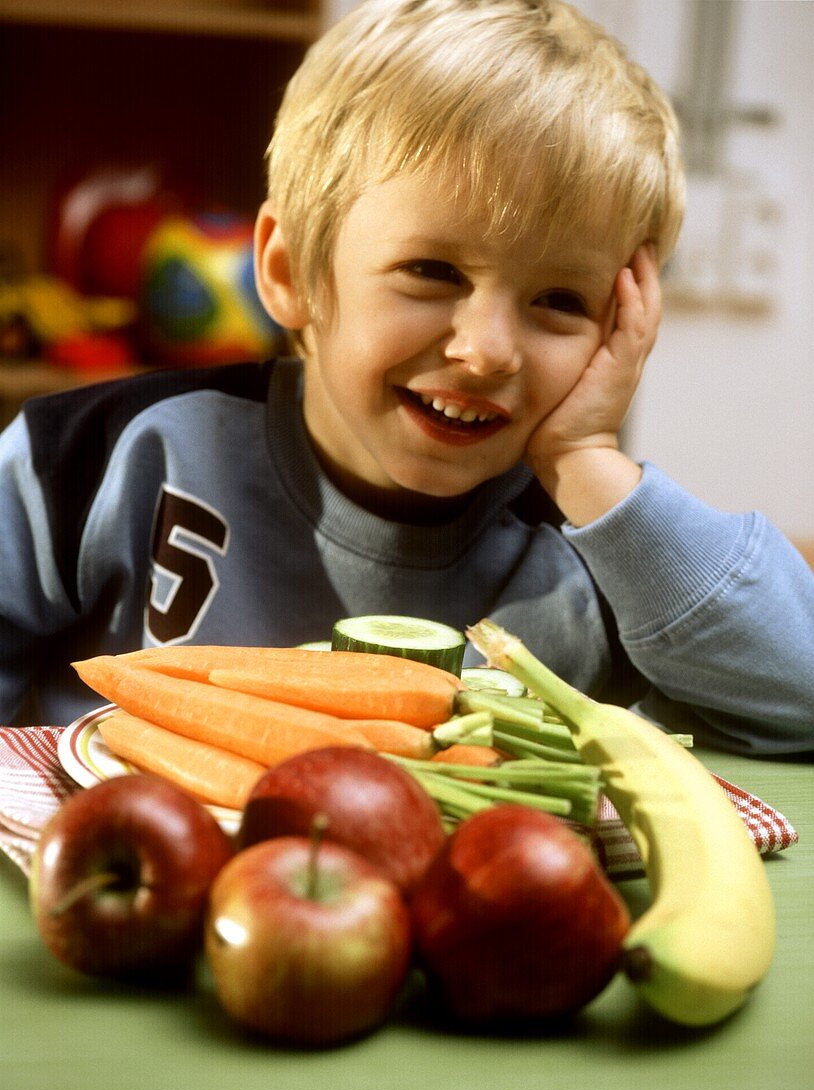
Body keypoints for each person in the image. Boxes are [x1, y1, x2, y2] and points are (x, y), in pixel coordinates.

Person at [1, 0, 812, 756]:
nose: (489, 351)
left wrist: (592, 460)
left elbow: (798, 693)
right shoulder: (98, 458)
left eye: (560, 300)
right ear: (291, 272)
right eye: (432, 270)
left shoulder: (602, 554)